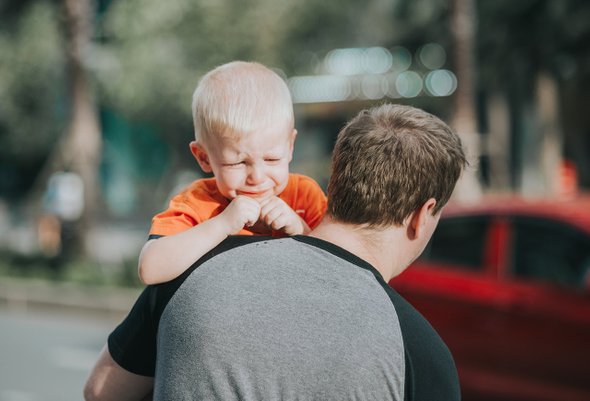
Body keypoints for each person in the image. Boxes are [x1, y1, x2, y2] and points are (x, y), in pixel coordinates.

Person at [84, 103, 467, 401]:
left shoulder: (193, 271)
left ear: (336, 182)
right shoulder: (420, 352)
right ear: (422, 215)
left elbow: (101, 391)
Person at [138, 61, 327, 285]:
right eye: (237, 163)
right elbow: (150, 270)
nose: (257, 177)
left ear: (290, 147)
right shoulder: (197, 203)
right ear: (203, 157)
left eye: (272, 159)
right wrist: (222, 224)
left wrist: (301, 230)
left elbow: (339, 268)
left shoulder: (304, 196)